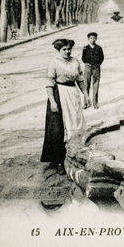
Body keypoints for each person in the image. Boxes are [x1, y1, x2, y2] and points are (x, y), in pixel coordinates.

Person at [41, 39, 89, 174]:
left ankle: (75, 156)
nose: (67, 52)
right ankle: (59, 160)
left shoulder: (75, 61)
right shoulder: (54, 62)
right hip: (59, 94)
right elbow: (49, 84)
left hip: (73, 94)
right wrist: (53, 101)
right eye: (64, 49)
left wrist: (86, 95)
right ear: (59, 50)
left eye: (69, 49)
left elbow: (80, 80)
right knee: (59, 128)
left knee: (76, 123)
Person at [81, 32, 104, 109]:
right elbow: (83, 58)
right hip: (88, 67)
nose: (92, 40)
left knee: (96, 85)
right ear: (88, 39)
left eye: (94, 38)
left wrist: (98, 64)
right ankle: (86, 103)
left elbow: (102, 58)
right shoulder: (85, 48)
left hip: (96, 68)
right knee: (86, 85)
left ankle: (95, 103)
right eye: (91, 38)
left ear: (96, 39)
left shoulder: (99, 48)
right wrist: (88, 64)